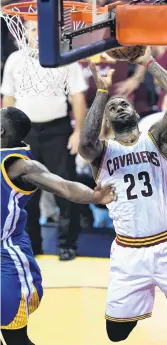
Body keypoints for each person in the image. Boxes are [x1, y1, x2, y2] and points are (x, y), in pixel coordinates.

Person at [79, 47, 167, 342]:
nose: (119, 106)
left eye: (123, 103)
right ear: (106, 117)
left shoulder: (158, 139)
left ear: (135, 111)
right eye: (112, 106)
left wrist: (149, 62)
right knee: (116, 334)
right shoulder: (101, 153)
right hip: (130, 252)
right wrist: (103, 92)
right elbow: (86, 140)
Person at [0, 107, 116, 345]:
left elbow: (63, 186)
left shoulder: (18, 164)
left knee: (15, 338)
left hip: (7, 258)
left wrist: (94, 197)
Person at [1, 21, 88, 261]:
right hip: (22, 134)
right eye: (32, 29)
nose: (37, 33)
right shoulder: (14, 60)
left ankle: (68, 244)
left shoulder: (66, 58)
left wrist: (78, 131)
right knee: (24, 190)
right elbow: (8, 99)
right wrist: (7, 138)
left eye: (42, 28)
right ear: (23, 33)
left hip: (57, 129)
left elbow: (78, 97)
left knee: (64, 187)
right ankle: (32, 245)